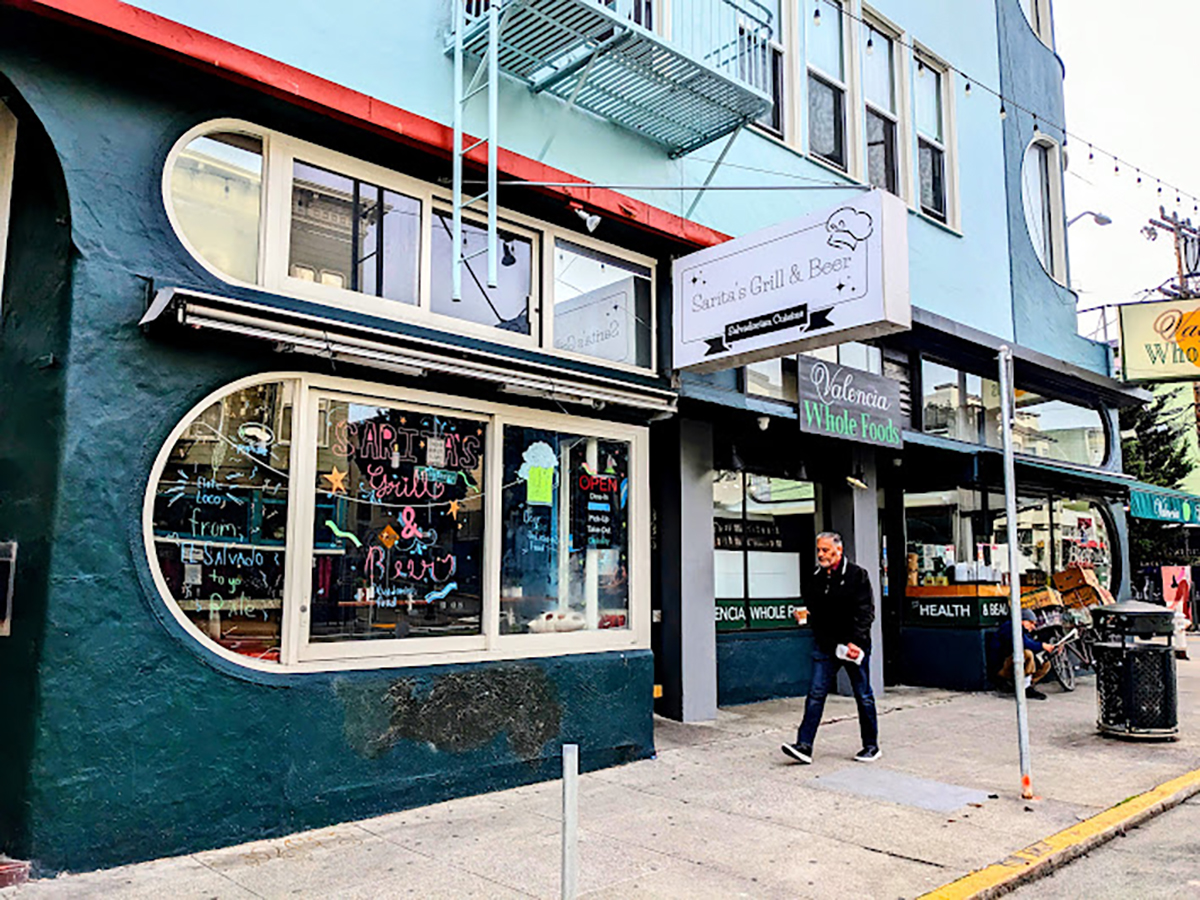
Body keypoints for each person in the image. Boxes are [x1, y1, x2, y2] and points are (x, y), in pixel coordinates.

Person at [781, 531, 879, 765]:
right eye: (819, 550)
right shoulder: (816, 577)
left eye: (825, 550)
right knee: (815, 694)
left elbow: (866, 612)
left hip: (852, 646)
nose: (821, 555)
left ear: (839, 550)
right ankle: (804, 746)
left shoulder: (857, 576)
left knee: (863, 695)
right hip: (826, 646)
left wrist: (856, 641)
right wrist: (804, 615)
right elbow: (815, 609)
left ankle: (871, 746)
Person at [994, 608, 1054, 700]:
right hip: (1003, 666)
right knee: (1027, 654)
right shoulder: (1010, 627)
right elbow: (1023, 643)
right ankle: (1025, 688)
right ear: (1022, 621)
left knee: (1046, 664)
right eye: (1031, 623)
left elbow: (1031, 644)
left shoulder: (1026, 632)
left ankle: (1026, 684)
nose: (1033, 627)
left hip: (1014, 665)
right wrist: (1042, 646)